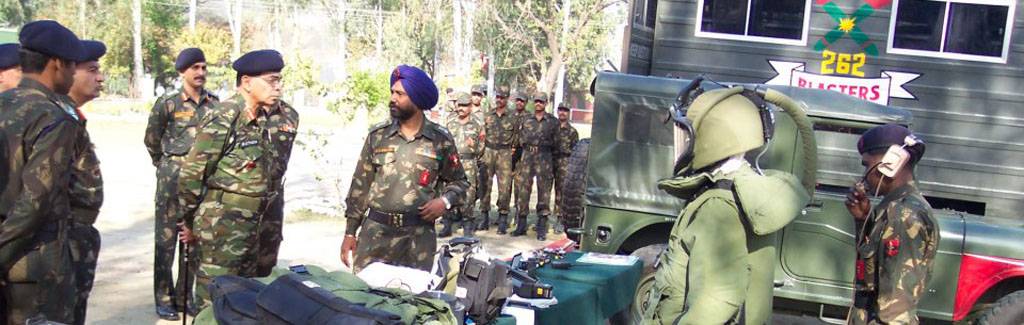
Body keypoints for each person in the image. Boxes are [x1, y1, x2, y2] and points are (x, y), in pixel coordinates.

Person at [643, 87, 809, 324]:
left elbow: (717, 300)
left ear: (716, 137)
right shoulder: (745, 188)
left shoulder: (718, 205)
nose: (684, 144)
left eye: (689, 135)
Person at [177, 49, 299, 309]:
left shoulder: (278, 117)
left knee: (254, 300)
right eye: (270, 81)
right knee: (215, 301)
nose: (277, 87)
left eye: (279, 80)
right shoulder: (223, 116)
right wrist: (189, 221)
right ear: (246, 82)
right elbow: (192, 175)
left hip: (261, 225)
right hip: (222, 227)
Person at [340, 64, 468, 273]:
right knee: (367, 299)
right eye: (392, 92)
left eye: (400, 93)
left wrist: (444, 202)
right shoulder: (378, 136)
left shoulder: (440, 139)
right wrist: (350, 233)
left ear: (417, 99)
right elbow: (359, 188)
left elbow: (460, 182)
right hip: (375, 235)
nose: (393, 98)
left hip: (417, 239)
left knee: (413, 301)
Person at [0, 20, 83, 325]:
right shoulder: (54, 117)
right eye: (73, 65)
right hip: (32, 267)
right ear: (56, 63)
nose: (74, 73)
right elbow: (36, 201)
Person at [143, 47, 215, 320]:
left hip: (201, 187)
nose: (200, 72)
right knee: (166, 242)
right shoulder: (168, 103)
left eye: (203, 67)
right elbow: (152, 139)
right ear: (182, 71)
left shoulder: (214, 104)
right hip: (170, 184)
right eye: (194, 67)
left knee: (193, 241)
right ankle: (164, 299)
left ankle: (185, 296)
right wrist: (166, 165)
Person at [845, 124, 938, 325]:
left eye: (866, 164)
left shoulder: (904, 215)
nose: (864, 175)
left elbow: (896, 310)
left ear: (889, 163)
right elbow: (873, 271)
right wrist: (863, 220)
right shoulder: (891, 208)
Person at [65, 39, 106, 325]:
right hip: (59, 242)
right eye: (92, 69)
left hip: (77, 238)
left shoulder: (71, 117)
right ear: (66, 71)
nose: (100, 77)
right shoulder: (53, 119)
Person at [511, 92, 558, 241]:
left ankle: (542, 226)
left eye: (541, 102)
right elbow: (519, 139)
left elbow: (556, 142)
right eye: (536, 101)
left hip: (544, 156)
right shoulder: (526, 119)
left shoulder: (552, 121)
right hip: (527, 155)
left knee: (544, 190)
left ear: (546, 103)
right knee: (523, 189)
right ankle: (521, 224)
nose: (538, 104)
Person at [440, 92, 485, 238]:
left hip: (468, 163)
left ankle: (467, 225)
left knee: (469, 195)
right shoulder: (449, 122)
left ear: (471, 107)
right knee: (448, 191)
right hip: (452, 162)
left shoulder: (477, 124)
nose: (461, 108)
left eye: (465, 105)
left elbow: (481, 148)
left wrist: (473, 149)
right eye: (460, 105)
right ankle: (447, 224)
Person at [477, 87, 515, 233]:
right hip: (489, 151)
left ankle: (503, 218)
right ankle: (484, 217)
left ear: (507, 99)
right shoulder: (488, 115)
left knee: (504, 186)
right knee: (485, 184)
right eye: (497, 97)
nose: (499, 100)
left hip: (504, 153)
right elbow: (482, 135)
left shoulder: (512, 117)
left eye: (502, 97)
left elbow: (516, 137)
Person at [552, 104, 578, 234]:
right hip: (549, 160)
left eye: (565, 111)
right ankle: (542, 221)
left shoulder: (572, 132)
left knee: (561, 191)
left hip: (564, 162)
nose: (562, 113)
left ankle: (560, 220)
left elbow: (575, 151)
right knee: (544, 191)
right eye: (560, 110)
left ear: (568, 113)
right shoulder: (551, 127)